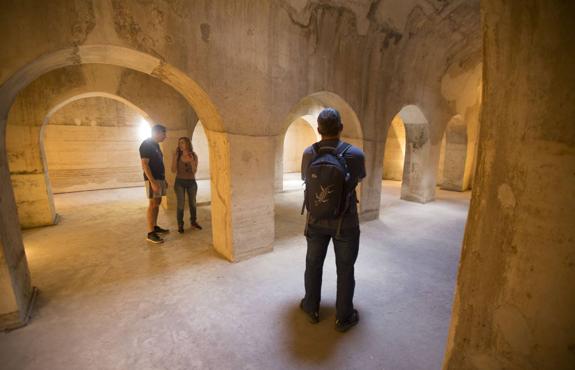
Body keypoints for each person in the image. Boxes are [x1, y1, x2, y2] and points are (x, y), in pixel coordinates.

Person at [299, 108, 366, 332]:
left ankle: (311, 308)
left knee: (313, 264)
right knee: (345, 269)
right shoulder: (355, 154)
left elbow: (305, 179)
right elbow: (357, 179)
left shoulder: (309, 153)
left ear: (318, 129)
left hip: (315, 221)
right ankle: (343, 317)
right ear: (341, 128)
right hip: (345, 223)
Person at [139, 124, 170, 244]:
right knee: (153, 204)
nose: (165, 136)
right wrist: (152, 182)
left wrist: (163, 179)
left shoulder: (155, 145)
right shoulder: (146, 144)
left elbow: (158, 163)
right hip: (153, 179)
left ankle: (155, 226)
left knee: (157, 202)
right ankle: (150, 233)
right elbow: (145, 164)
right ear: (156, 133)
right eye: (164, 133)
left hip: (159, 178)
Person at [171, 136, 202, 233]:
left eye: (182, 142)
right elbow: (173, 170)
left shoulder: (193, 155)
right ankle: (180, 224)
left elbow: (194, 171)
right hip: (179, 182)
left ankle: (193, 222)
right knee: (180, 205)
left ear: (188, 144)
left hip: (191, 182)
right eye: (179, 142)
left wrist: (192, 161)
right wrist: (175, 158)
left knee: (193, 203)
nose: (180, 144)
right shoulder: (177, 155)